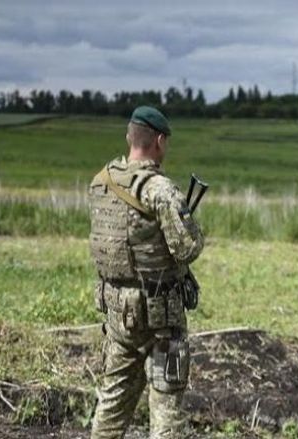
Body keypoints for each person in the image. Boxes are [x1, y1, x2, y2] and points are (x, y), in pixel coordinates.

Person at [88, 106, 204, 438]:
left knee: (113, 399)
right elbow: (186, 248)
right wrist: (193, 228)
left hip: (116, 310)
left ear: (129, 138)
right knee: (166, 405)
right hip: (159, 314)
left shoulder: (101, 183)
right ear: (159, 140)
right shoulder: (160, 190)